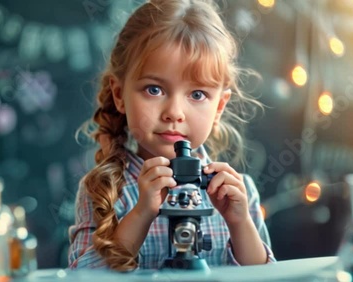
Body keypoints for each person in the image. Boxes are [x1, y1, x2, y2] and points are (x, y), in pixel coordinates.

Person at [68, 0, 276, 271]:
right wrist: (142, 213)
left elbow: (267, 276)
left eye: (198, 94)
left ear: (219, 107)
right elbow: (82, 277)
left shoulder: (238, 192)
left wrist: (240, 223)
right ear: (120, 95)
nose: (174, 113)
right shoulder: (103, 190)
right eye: (154, 90)